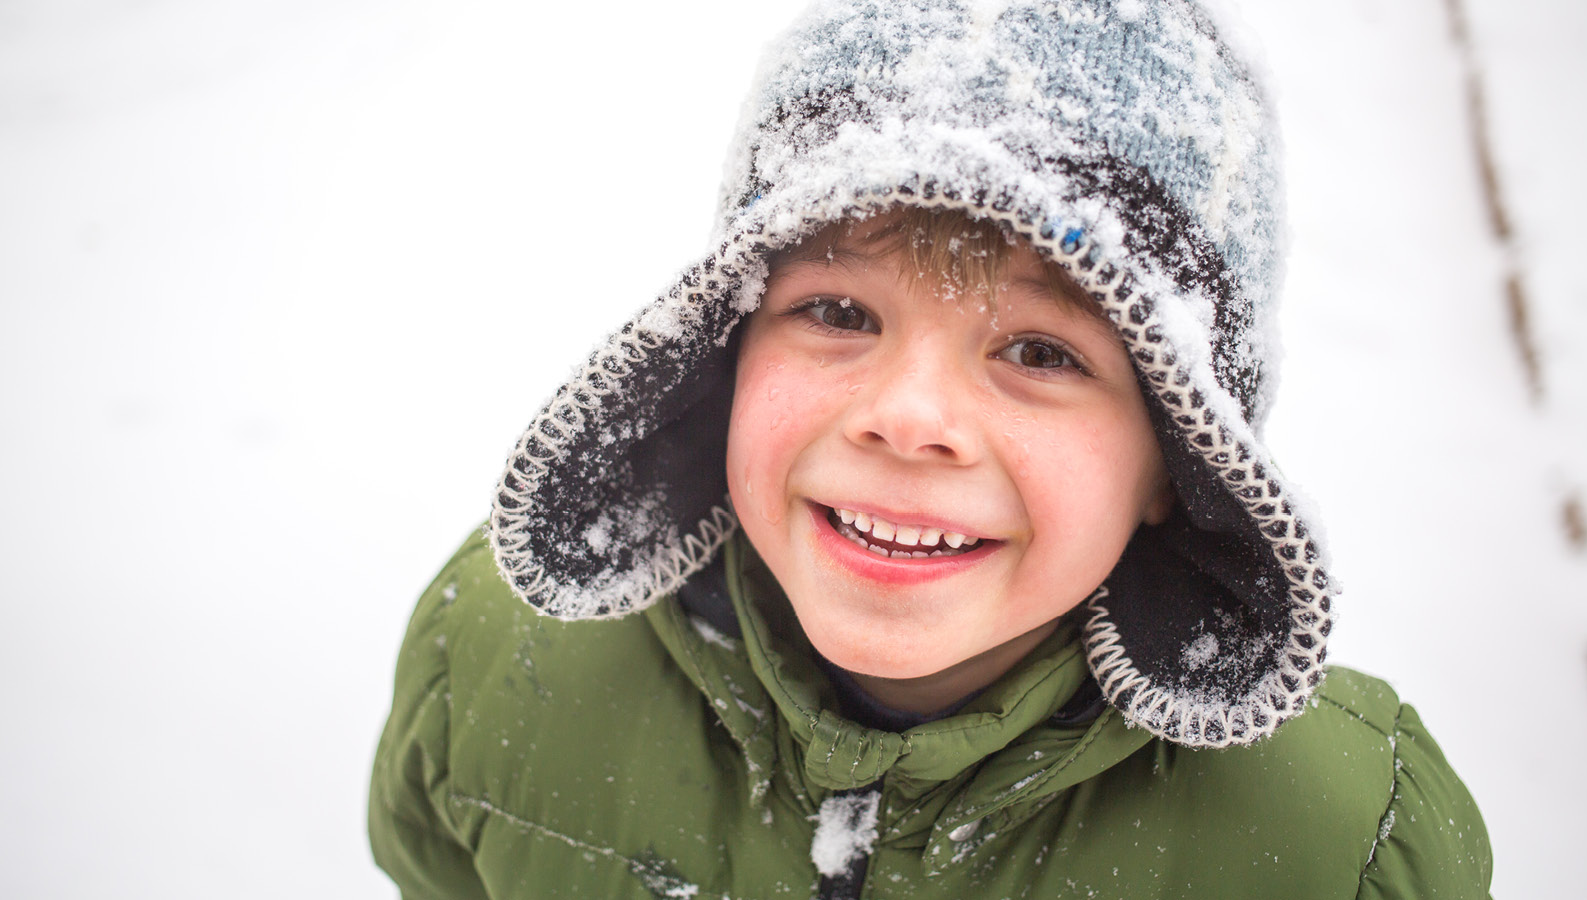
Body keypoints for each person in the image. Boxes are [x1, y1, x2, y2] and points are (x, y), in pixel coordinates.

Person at [369, 1, 1492, 897]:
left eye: (1041, 352)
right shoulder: (501, 667)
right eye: (839, 313)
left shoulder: (1331, 844)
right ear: (726, 347)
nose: (907, 418)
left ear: (1179, 458)